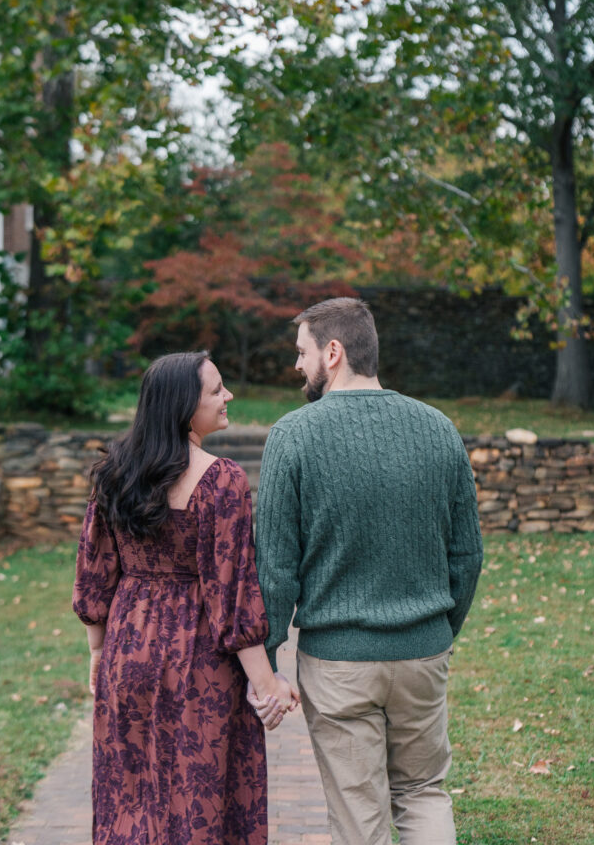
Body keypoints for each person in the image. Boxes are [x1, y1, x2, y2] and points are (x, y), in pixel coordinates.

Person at [253, 297, 483, 845]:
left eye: (302, 352)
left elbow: (276, 568)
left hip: (339, 665)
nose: (297, 366)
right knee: (424, 793)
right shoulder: (439, 428)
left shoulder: (294, 435)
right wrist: (439, 632)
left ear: (333, 352)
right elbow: (467, 555)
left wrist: (266, 661)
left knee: (360, 815)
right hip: (423, 653)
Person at [73, 351, 298, 845]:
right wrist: (266, 686)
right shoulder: (221, 480)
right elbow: (231, 592)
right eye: (216, 390)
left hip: (127, 648)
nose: (228, 396)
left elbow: (94, 573)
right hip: (197, 661)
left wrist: (97, 651)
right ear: (182, 406)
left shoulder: (114, 471)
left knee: (130, 795)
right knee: (198, 794)